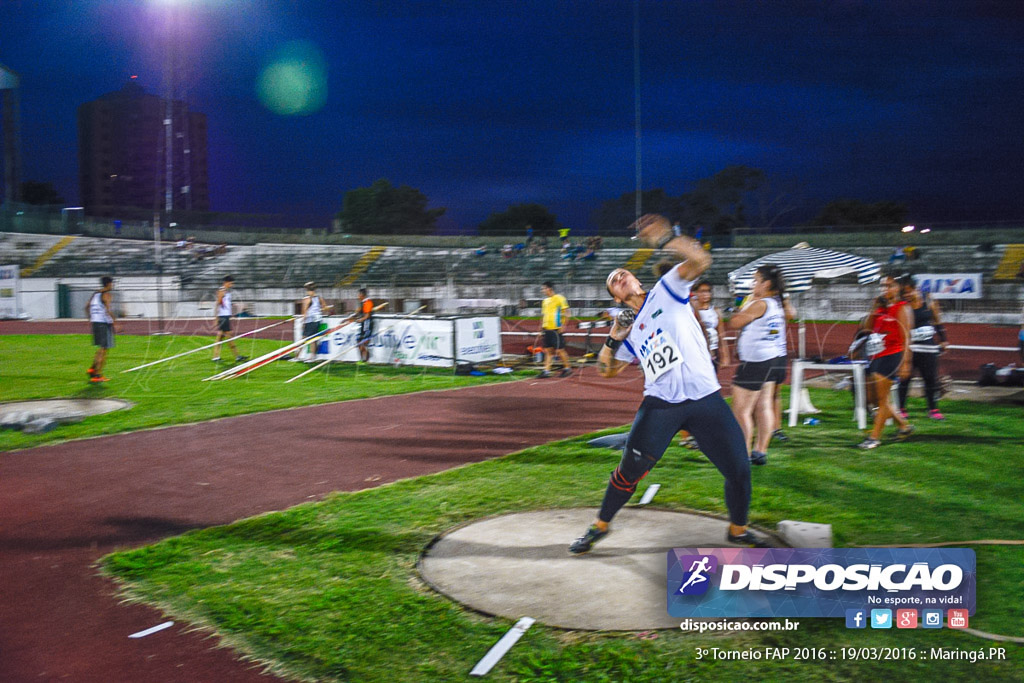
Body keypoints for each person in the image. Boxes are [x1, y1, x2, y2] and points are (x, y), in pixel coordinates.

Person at [568, 214, 772, 555]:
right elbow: (607, 371)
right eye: (613, 282)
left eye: (623, 273)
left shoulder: (668, 289)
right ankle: (599, 525)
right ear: (616, 298)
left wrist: (665, 238)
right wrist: (614, 337)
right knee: (628, 471)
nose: (619, 277)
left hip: (705, 400)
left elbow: (701, 260)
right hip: (661, 404)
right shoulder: (630, 329)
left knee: (738, 469)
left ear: (635, 278)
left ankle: (738, 530)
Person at [726, 265, 788, 466]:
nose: (753, 284)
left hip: (757, 361)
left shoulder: (760, 303)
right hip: (774, 358)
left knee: (741, 410)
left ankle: (742, 454)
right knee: (763, 406)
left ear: (766, 283)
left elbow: (734, 322)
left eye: (756, 280)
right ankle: (760, 451)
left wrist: (747, 302)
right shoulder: (778, 303)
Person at [857, 275, 914, 449]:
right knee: (875, 399)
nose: (885, 289)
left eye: (889, 286)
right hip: (876, 355)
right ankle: (904, 426)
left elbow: (907, 339)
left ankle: (874, 438)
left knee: (882, 400)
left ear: (898, 288)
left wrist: (905, 363)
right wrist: (874, 307)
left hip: (892, 355)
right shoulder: (881, 309)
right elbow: (866, 327)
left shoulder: (902, 308)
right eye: (883, 286)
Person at [896, 275, 947, 420]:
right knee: (905, 379)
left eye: (908, 291)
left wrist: (943, 340)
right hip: (909, 348)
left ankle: (933, 409)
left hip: (928, 348)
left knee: (930, 379)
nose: (906, 295)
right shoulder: (902, 305)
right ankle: (901, 408)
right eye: (903, 293)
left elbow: (937, 321)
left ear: (915, 288)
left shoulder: (928, 300)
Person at [85, 276, 118, 383]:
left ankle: (92, 369)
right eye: (112, 283)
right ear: (108, 284)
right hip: (103, 323)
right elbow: (108, 310)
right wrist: (115, 323)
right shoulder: (107, 294)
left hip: (95, 322)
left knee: (100, 348)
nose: (112, 285)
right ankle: (97, 375)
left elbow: (87, 306)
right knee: (103, 349)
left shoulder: (95, 294)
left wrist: (91, 318)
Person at [692, 280, 730, 370]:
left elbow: (721, 334)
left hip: (712, 350)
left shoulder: (715, 311)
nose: (705, 294)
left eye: (708, 291)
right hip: (695, 350)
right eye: (702, 291)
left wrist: (725, 356)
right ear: (696, 293)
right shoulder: (690, 311)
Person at [539, 281, 572, 378]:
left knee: (560, 350)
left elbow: (567, 312)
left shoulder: (560, 298)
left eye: (544, 288)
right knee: (548, 351)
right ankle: (546, 371)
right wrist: (541, 329)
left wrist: (563, 326)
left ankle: (567, 368)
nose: (542, 290)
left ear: (549, 288)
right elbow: (543, 316)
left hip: (555, 329)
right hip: (547, 329)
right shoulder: (545, 301)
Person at [212, 276, 247, 363]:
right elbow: (218, 304)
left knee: (220, 337)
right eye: (231, 283)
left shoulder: (227, 292)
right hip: (223, 317)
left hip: (225, 316)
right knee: (229, 336)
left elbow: (225, 304)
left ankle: (215, 357)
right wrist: (216, 318)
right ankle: (237, 356)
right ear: (226, 282)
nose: (232, 285)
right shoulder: (222, 291)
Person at [299, 282, 332, 362]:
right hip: (317, 319)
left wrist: (303, 322)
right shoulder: (319, 298)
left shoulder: (306, 299)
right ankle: (299, 356)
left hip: (310, 320)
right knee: (308, 338)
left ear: (306, 289)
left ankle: (311, 357)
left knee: (310, 339)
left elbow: (304, 311)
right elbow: (325, 308)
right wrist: (324, 309)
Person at [357, 288, 375, 363]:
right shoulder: (363, 303)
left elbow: (367, 315)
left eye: (359, 295)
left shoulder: (368, 302)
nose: (358, 296)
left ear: (362, 295)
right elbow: (358, 312)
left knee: (363, 342)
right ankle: (362, 359)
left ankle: (365, 360)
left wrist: (361, 319)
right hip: (363, 325)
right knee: (359, 341)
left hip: (367, 325)